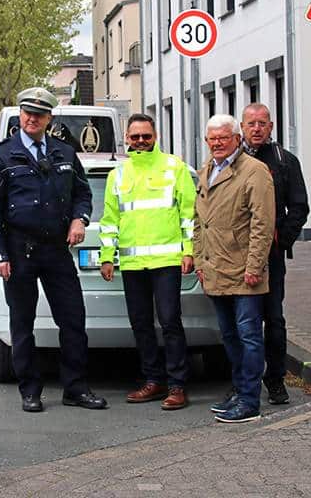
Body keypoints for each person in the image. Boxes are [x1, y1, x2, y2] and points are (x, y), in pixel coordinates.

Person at [0, 87, 107, 413]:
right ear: (20, 114)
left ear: (49, 118)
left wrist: (80, 219)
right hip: (19, 250)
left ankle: (75, 388)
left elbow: (82, 193)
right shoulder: (2, 155)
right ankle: (30, 389)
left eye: (39, 114)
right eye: (27, 113)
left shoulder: (64, 152)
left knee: (74, 320)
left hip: (56, 250)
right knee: (22, 324)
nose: (32, 118)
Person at [98, 114, 197, 410]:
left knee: (170, 323)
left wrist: (189, 250)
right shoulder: (118, 174)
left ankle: (177, 386)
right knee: (140, 324)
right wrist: (106, 256)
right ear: (126, 139)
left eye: (146, 136)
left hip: (167, 261)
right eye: (135, 137)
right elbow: (109, 220)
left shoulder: (173, 167)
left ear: (155, 137)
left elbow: (189, 214)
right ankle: (153, 381)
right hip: (131, 264)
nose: (140, 141)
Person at [194, 114, 274, 424]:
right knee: (229, 337)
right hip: (216, 270)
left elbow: (262, 224)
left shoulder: (255, 173)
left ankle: (250, 401)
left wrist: (254, 266)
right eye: (212, 139)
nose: (216, 143)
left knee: (249, 336)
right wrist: (200, 262)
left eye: (223, 138)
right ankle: (240, 391)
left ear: (237, 139)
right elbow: (200, 223)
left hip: (244, 272)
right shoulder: (206, 172)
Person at [241, 104, 309, 405]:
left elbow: (299, 207)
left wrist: (281, 241)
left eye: (262, 124)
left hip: (271, 255)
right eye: (251, 124)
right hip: (236, 255)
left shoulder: (284, 161)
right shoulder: (232, 160)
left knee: (274, 320)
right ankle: (243, 381)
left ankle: (276, 380)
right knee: (242, 321)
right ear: (242, 127)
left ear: (271, 127)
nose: (256, 129)